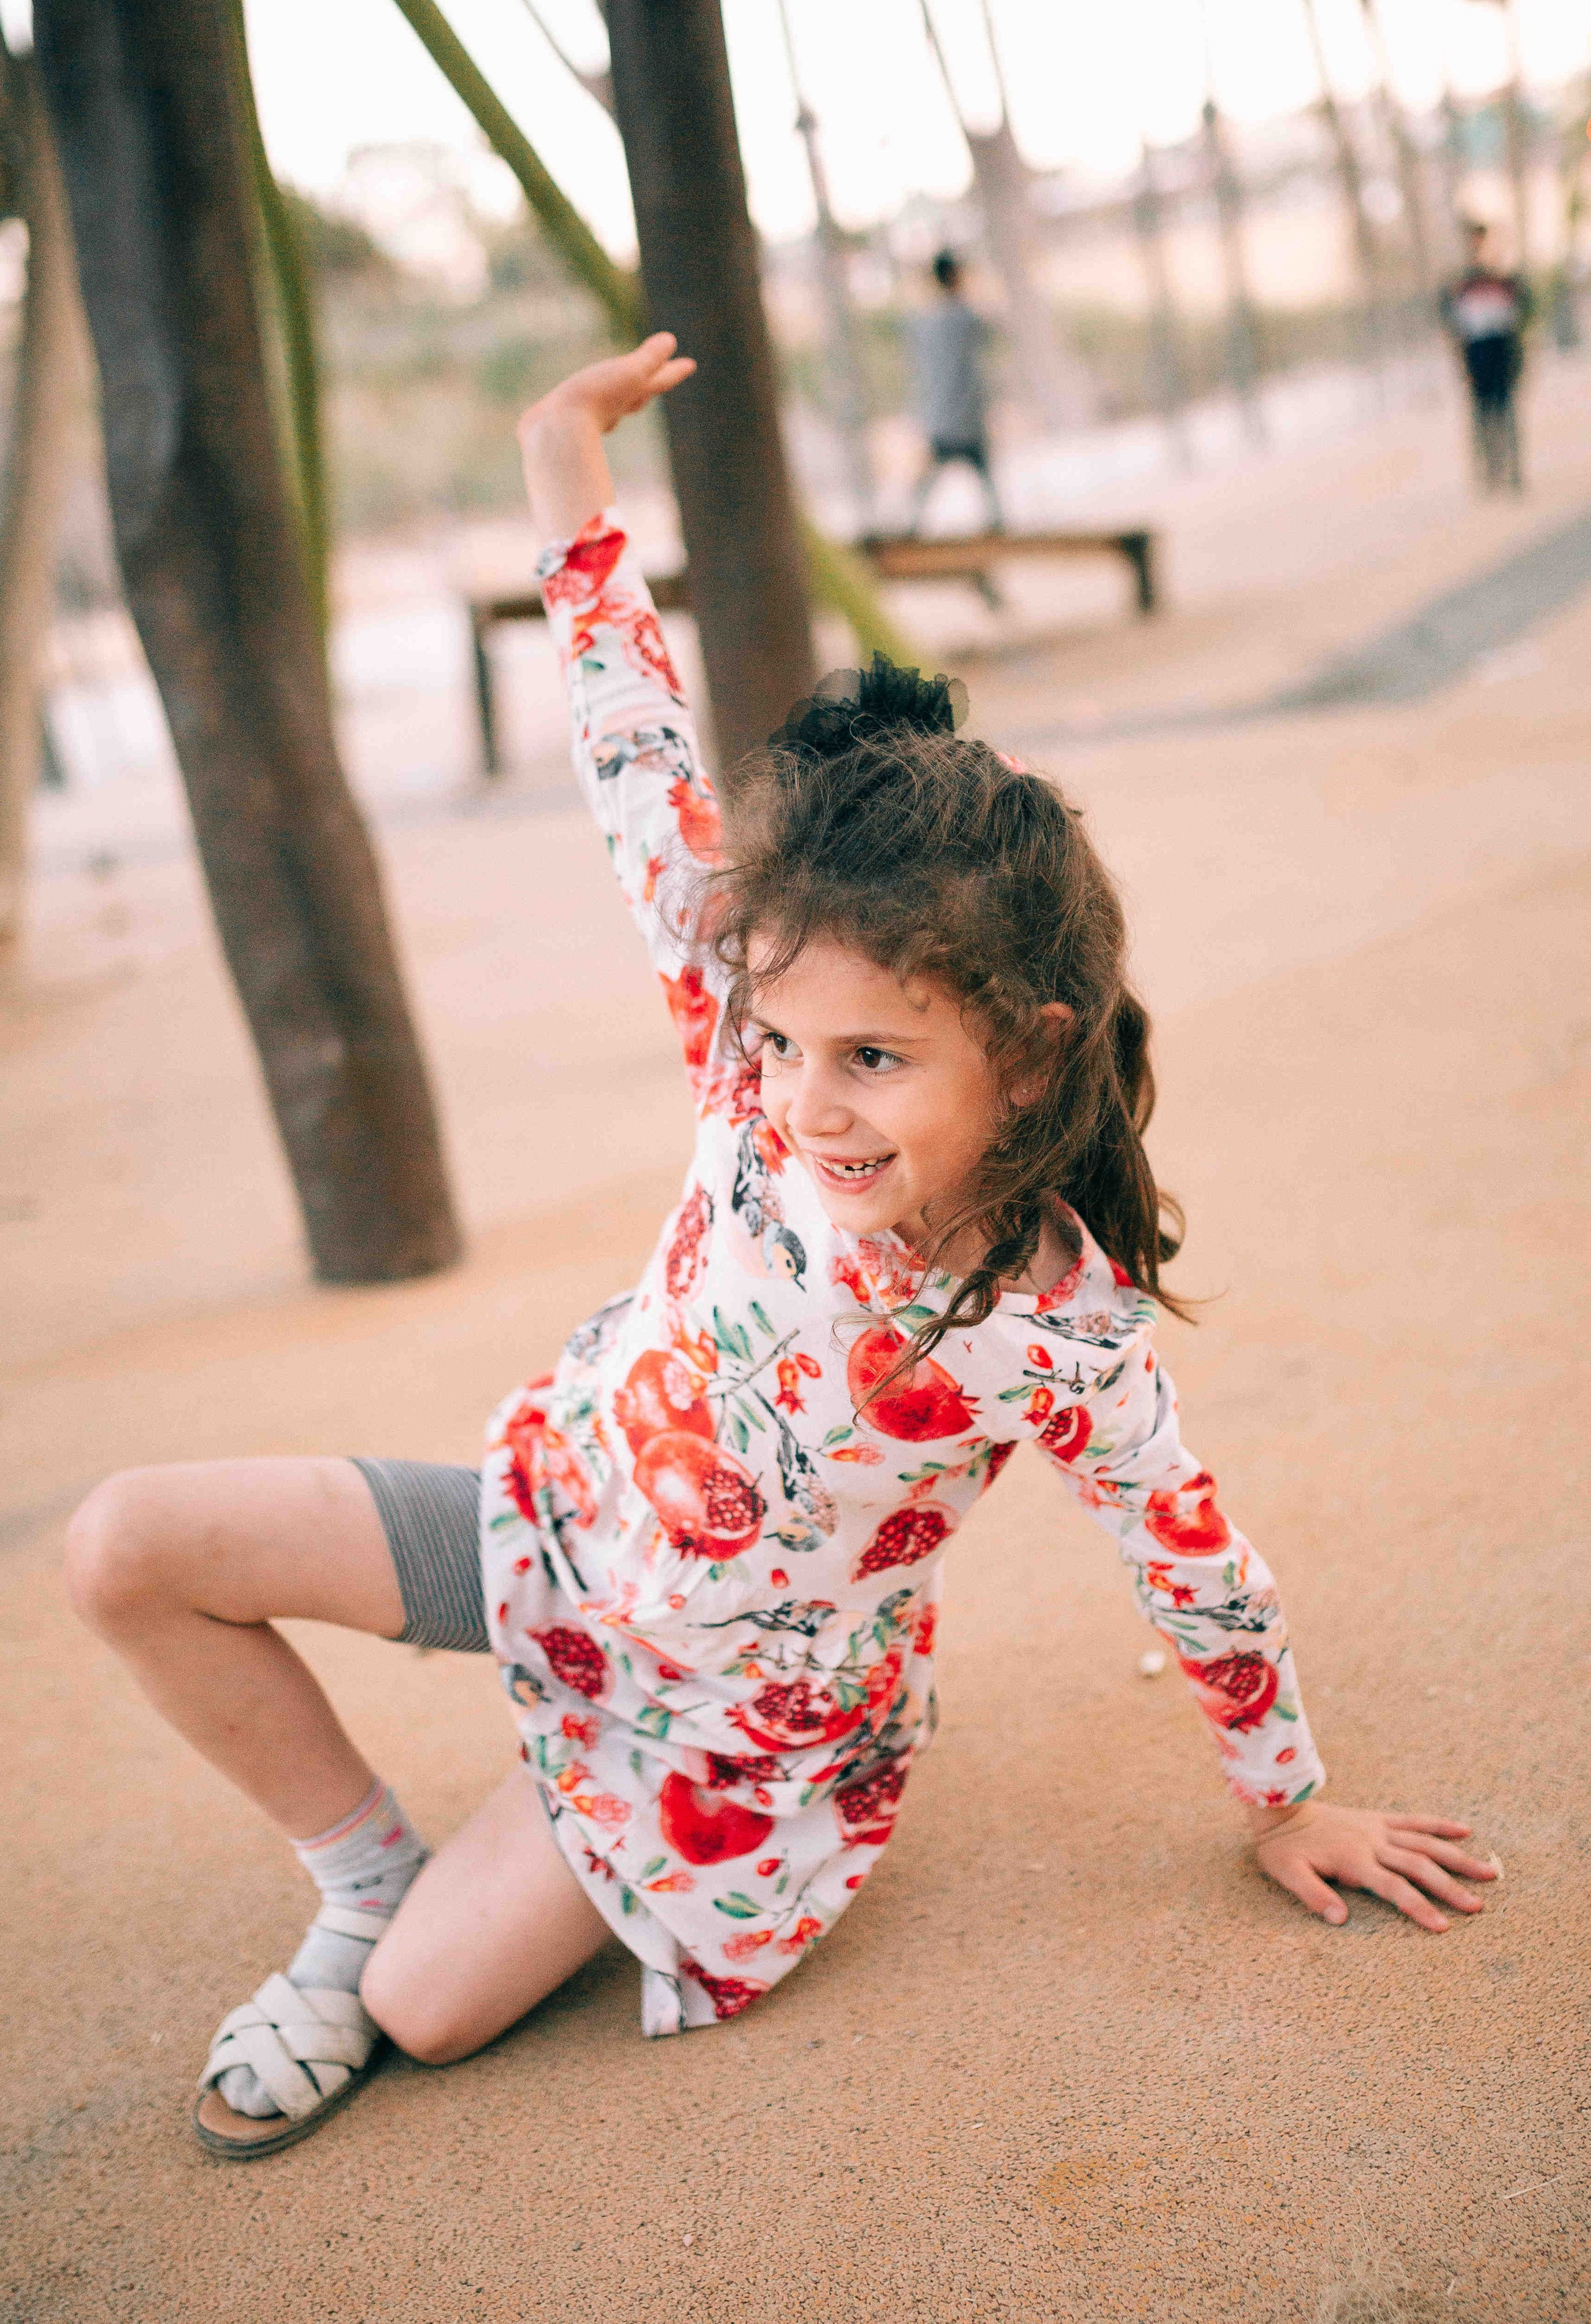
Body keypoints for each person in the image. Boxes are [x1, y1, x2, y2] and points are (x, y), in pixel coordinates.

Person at [64, 336, 1500, 2160]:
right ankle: (361, 1873)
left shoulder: (1047, 1317)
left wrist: (1286, 1799)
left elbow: (1193, 1557)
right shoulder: (748, 1063)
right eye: (782, 1041)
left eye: (876, 1058)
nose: (806, 1104)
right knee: (128, 1545)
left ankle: (505, 1850)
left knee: (423, 2014)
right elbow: (635, 754)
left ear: (1034, 1041)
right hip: (549, 1526)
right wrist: (562, 475)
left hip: (725, 1718)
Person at [907, 249, 1002, 533]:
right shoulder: (965, 318)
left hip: (941, 416)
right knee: (983, 481)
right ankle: (996, 526)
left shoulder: (926, 322)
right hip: (965, 417)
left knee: (928, 483)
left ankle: (912, 527)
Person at [1441, 223, 1533, 493]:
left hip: (1502, 353)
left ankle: (1513, 471)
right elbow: (1451, 323)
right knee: (1482, 416)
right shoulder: (1459, 284)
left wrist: (1519, 354)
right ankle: (1491, 471)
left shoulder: (1507, 281)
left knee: (1507, 413)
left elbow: (1523, 314)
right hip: (1476, 356)